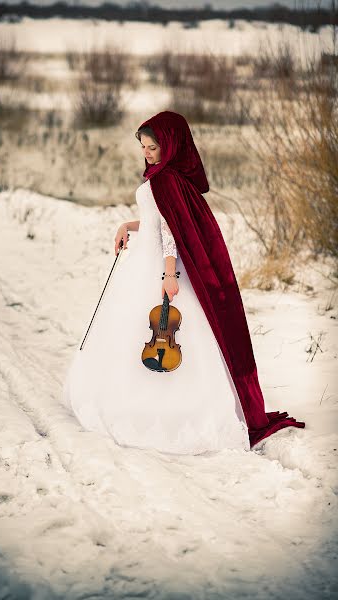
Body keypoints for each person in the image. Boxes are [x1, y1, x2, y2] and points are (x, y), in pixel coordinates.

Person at [61, 110, 305, 454]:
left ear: (171, 145)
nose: (146, 152)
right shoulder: (165, 177)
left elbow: (170, 231)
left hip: (161, 267)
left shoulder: (166, 180)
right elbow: (154, 220)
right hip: (149, 260)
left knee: (171, 335)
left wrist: (170, 273)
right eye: (143, 146)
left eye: (152, 146)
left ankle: (173, 412)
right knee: (131, 333)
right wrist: (126, 227)